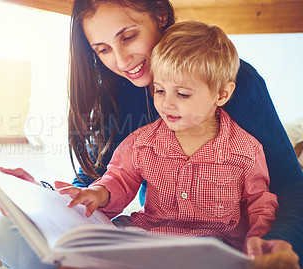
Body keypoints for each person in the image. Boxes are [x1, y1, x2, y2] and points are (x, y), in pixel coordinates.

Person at [0, 0, 302, 268]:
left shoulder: (235, 84)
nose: (122, 61)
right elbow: (104, 176)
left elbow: (288, 188)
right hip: (150, 234)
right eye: (103, 49)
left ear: (160, 17)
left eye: (129, 36)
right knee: (7, 230)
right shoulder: (117, 92)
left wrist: (274, 244)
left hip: (216, 242)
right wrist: (41, 199)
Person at [56, 20, 279, 253]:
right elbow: (119, 178)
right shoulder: (142, 143)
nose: (166, 103)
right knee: (106, 237)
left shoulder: (246, 151)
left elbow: (260, 204)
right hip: (150, 235)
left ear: (222, 94)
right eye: (160, 90)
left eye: (182, 94)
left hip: (212, 247)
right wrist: (99, 193)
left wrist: (259, 241)